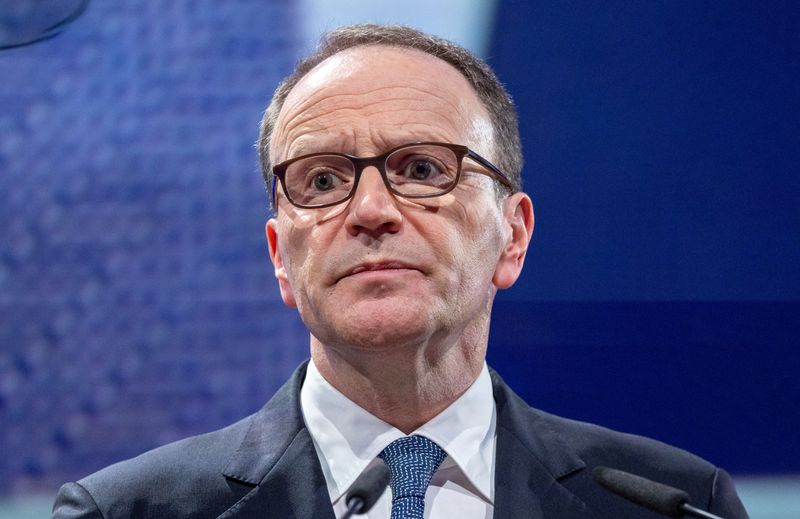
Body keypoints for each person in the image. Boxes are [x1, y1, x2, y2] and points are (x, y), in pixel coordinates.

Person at [52, 24, 749, 519]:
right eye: (321, 180)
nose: (371, 210)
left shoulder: (673, 502)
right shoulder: (127, 511)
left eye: (421, 168)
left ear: (513, 236)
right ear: (280, 259)